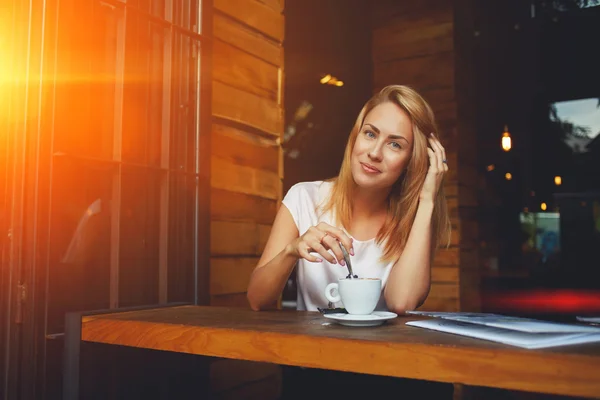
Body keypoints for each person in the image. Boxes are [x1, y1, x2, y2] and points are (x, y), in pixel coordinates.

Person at [246, 85, 453, 399]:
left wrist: (427, 201)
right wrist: (292, 250)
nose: (374, 152)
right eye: (370, 134)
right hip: (313, 374)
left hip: (386, 375)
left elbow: (401, 302)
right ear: (356, 136)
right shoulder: (305, 197)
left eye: (395, 144)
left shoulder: (414, 220)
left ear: (412, 160)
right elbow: (257, 299)